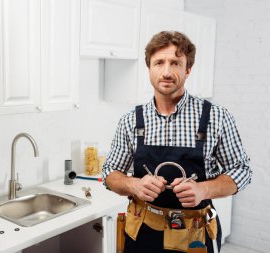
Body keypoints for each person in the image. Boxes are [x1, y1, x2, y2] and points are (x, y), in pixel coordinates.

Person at [102, 31, 252, 253]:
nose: (166, 72)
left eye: (175, 63)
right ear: (149, 69)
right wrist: (133, 184)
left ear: (187, 69)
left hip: (195, 234)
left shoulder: (216, 117)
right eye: (159, 63)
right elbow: (110, 172)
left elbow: (242, 170)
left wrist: (203, 189)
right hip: (142, 231)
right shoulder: (131, 121)